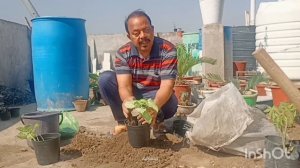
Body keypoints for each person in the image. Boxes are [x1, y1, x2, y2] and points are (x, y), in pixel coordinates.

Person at [98, 9, 178, 135]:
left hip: (156, 95)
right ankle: (124, 122)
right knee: (105, 79)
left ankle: (156, 120)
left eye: (146, 30)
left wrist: (154, 107)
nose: (142, 36)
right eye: (136, 33)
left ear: (152, 29)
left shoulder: (167, 50)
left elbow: (167, 86)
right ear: (129, 36)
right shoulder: (123, 53)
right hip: (136, 94)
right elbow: (124, 86)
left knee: (171, 100)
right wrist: (128, 100)